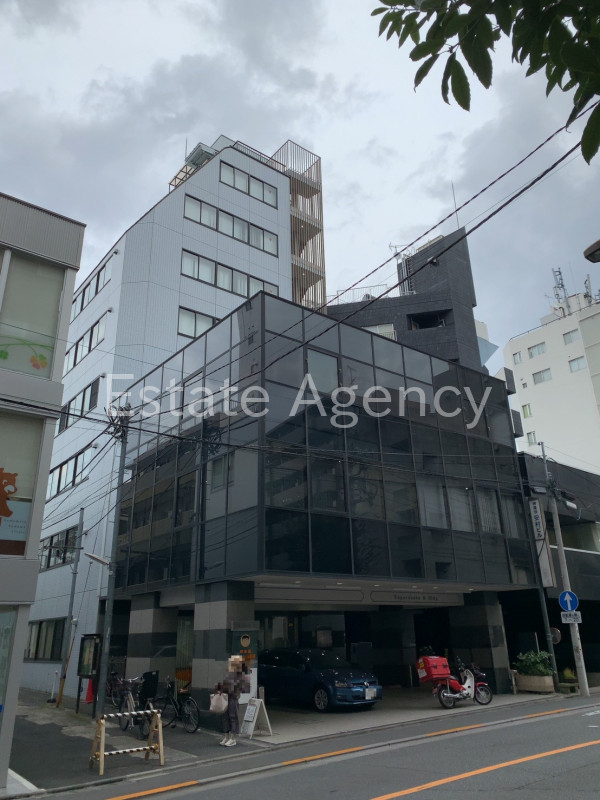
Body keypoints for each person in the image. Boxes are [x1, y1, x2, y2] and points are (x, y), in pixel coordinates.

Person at [215, 654, 250, 747]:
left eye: (232, 662)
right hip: (225, 697)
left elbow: (243, 688)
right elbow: (222, 684)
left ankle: (233, 738)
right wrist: (220, 688)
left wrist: (229, 688)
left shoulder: (240, 674)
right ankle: (227, 736)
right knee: (225, 717)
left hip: (233, 698)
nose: (230, 663)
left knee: (232, 717)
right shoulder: (228, 673)